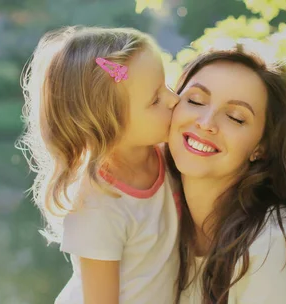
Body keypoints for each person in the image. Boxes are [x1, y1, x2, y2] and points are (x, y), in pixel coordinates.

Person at [19, 26, 180, 304]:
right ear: (109, 125)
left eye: (166, 85)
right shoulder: (96, 206)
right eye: (155, 99)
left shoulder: (167, 155)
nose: (174, 99)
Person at [166, 47, 286, 304]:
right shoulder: (154, 215)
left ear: (262, 147)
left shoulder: (275, 244)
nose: (206, 122)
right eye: (196, 101)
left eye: (236, 118)